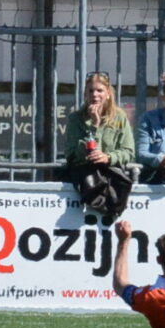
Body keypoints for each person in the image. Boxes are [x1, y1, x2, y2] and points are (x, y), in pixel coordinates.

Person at [62, 72, 137, 221]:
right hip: (85, 178)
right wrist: (94, 126)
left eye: (99, 90)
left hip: (112, 177)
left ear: (108, 94)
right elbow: (70, 154)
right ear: (85, 94)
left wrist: (108, 157)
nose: (95, 95)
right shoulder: (75, 119)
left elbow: (129, 152)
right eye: (91, 91)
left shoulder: (120, 117)